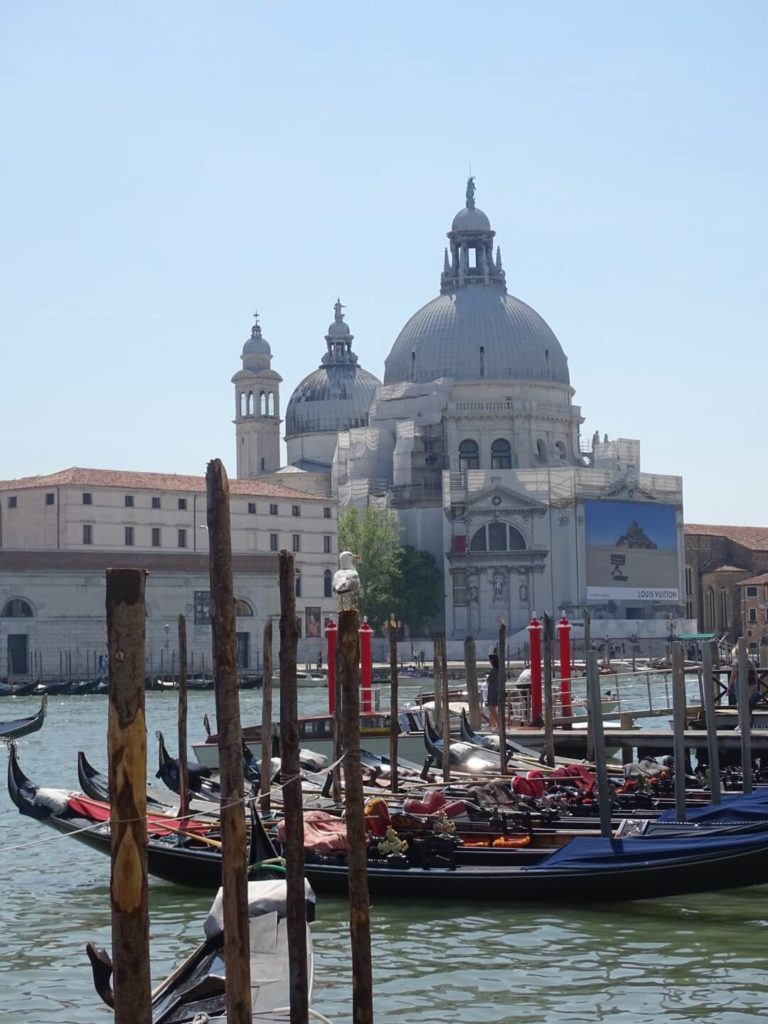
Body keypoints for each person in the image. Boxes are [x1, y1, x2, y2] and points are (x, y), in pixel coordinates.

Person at [485, 651, 500, 730]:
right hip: (492, 690)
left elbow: (489, 680)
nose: (490, 662)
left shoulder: (495, 670)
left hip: (493, 691)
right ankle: (492, 723)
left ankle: (498, 724)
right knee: (491, 709)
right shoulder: (497, 670)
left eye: (491, 660)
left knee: (492, 708)